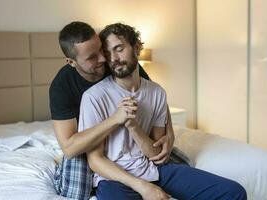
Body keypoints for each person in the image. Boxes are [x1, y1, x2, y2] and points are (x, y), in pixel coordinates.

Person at [79, 23, 247, 200]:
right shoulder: (94, 97)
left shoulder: (156, 92)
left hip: (154, 170)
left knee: (233, 192)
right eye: (107, 53)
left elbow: (156, 154)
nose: (113, 58)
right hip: (114, 179)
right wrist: (143, 187)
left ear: (136, 48)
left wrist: (133, 127)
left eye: (119, 48)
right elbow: (95, 160)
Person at [49, 21, 175, 199]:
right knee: (75, 190)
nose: (103, 59)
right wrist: (116, 119)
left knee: (167, 156)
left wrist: (170, 133)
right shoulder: (62, 85)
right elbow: (70, 147)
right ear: (71, 62)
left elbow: (152, 95)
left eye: (101, 50)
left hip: (125, 142)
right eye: (92, 57)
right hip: (85, 144)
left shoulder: (116, 63)